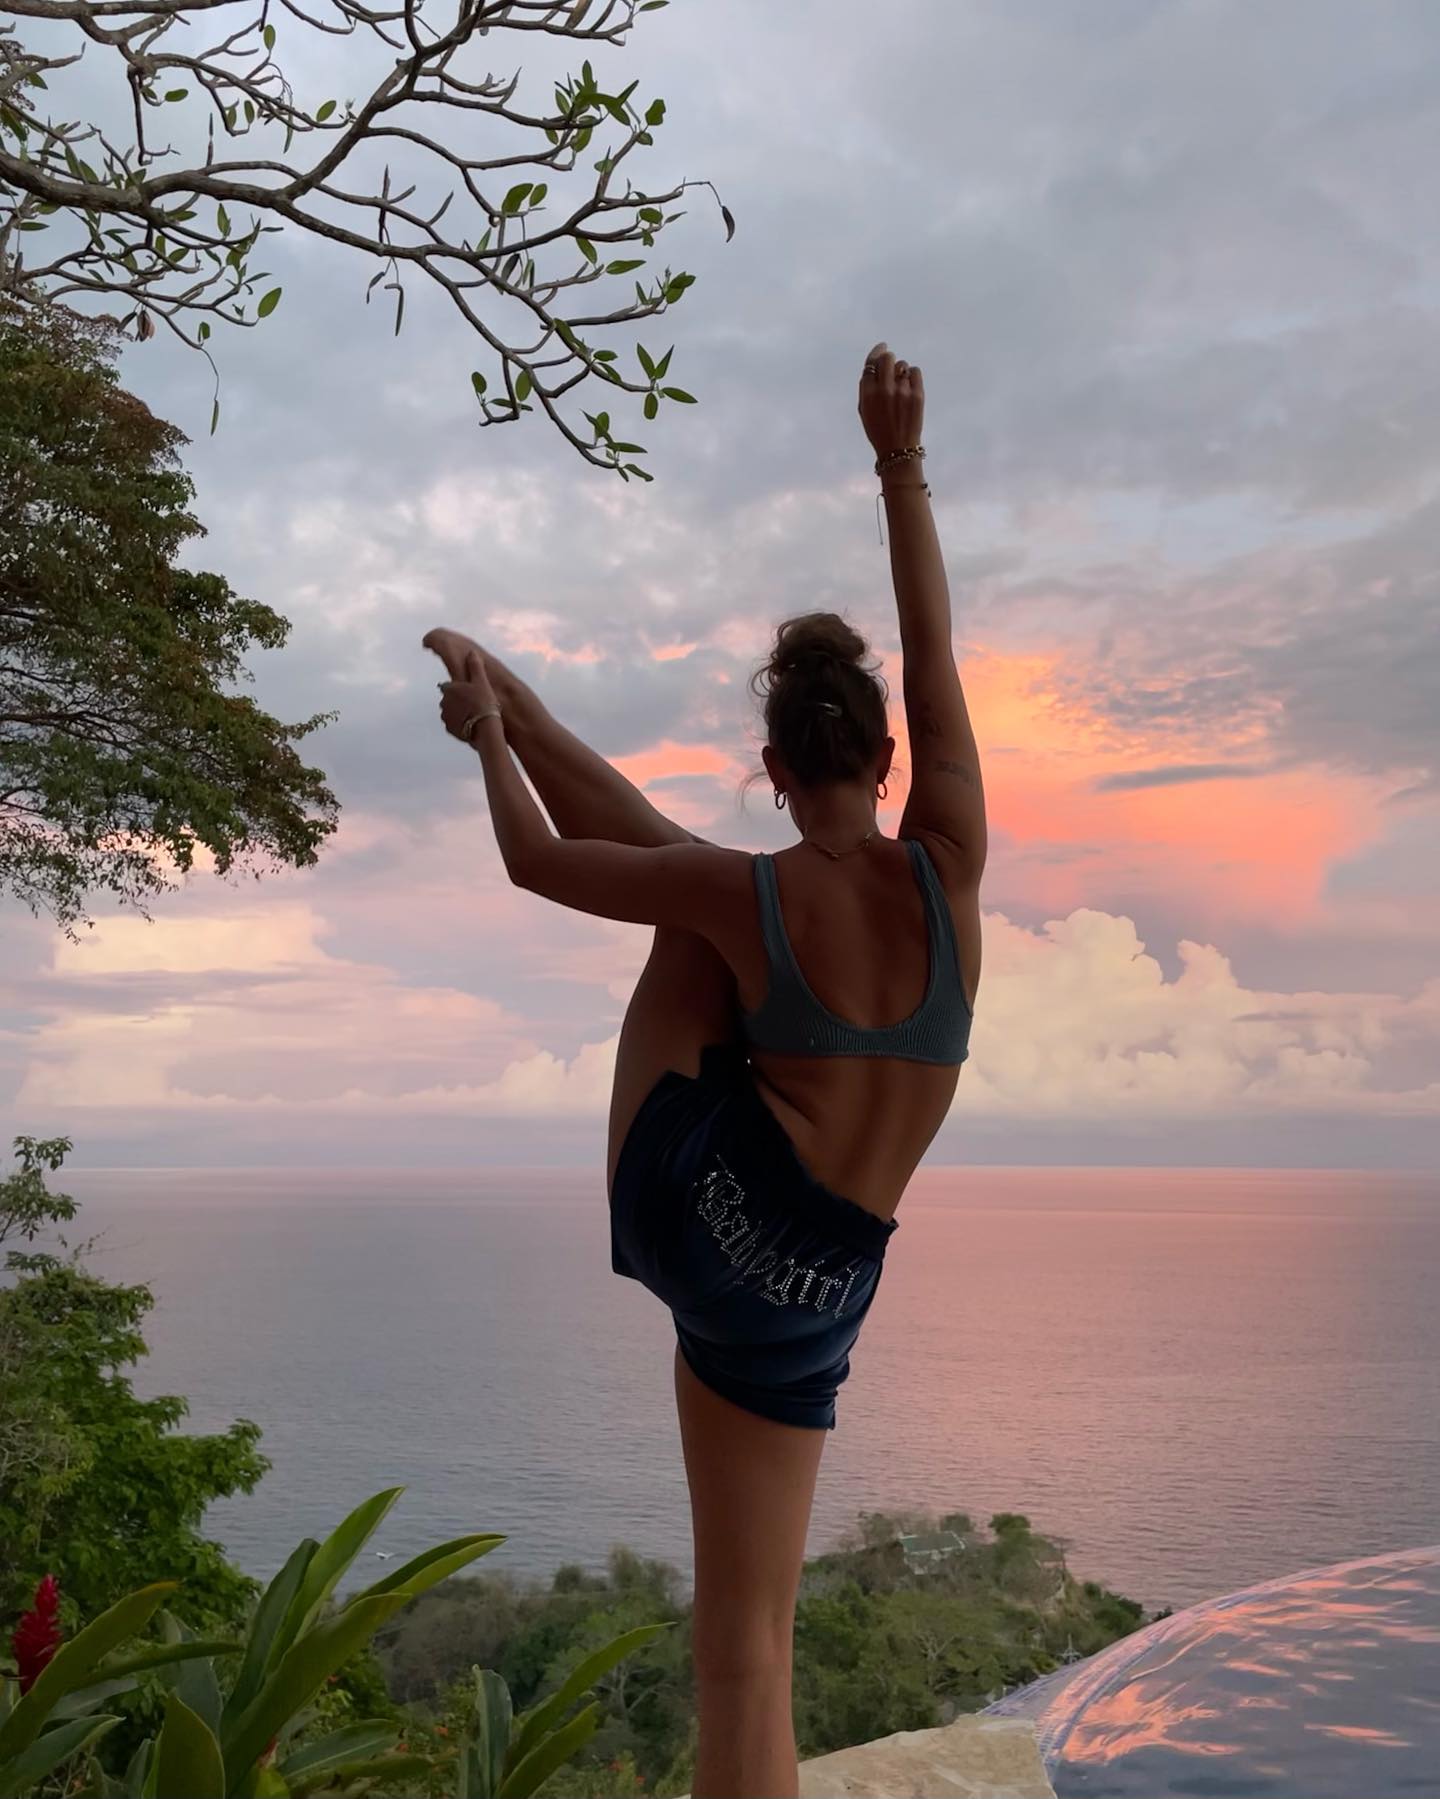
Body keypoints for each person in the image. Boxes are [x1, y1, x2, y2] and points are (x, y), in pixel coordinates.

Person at [424, 341, 983, 1799]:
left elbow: (539, 860)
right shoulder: (955, 867)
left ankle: (527, 699)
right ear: (889, 750)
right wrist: (899, 460)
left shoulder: (754, 894)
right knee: (763, 1641)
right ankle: (535, 700)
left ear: (776, 765)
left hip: (717, 1236)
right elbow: (934, 646)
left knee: (690, 900)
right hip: (833, 1279)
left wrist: (493, 739)